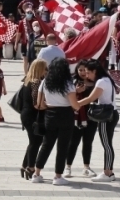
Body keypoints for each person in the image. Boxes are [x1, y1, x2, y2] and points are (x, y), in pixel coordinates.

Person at [31, 58, 81, 186]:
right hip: (65, 115)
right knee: (63, 146)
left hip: (50, 114)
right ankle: (58, 176)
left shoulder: (45, 82)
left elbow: (39, 103)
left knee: (46, 145)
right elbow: (74, 105)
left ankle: (36, 174)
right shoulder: (68, 83)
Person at [76, 59, 119, 182]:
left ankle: (107, 173)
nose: (87, 75)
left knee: (107, 145)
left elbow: (90, 98)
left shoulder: (101, 82)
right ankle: (109, 171)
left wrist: (73, 104)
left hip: (106, 116)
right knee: (107, 144)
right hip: (111, 113)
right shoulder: (106, 79)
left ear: (95, 71)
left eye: (88, 72)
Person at [65, 60, 97, 178]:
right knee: (73, 143)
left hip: (92, 117)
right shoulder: (72, 82)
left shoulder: (95, 83)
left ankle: (86, 167)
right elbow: (67, 99)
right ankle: (68, 167)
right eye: (80, 70)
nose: (83, 72)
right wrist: (76, 91)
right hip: (76, 118)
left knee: (88, 142)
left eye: (85, 70)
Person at [20, 59, 47, 180]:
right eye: (45, 68)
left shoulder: (27, 80)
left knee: (33, 142)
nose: (47, 71)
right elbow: (37, 104)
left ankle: (25, 165)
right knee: (36, 142)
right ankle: (30, 168)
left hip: (26, 114)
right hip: (33, 115)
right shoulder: (36, 82)